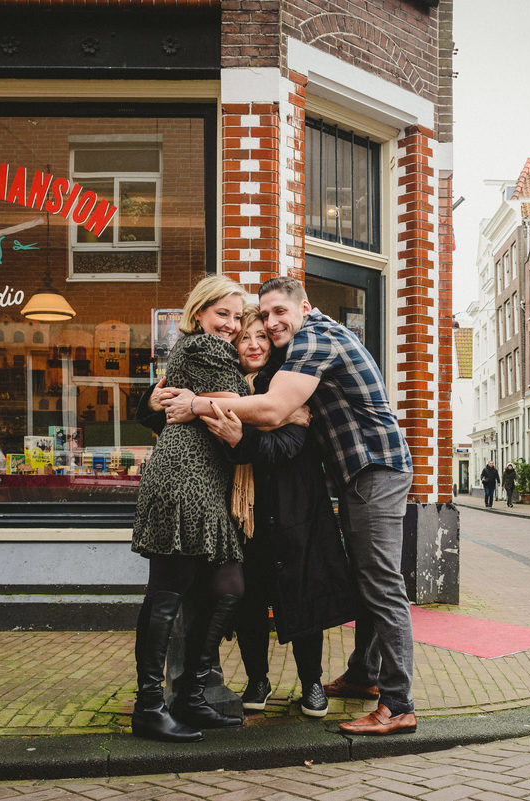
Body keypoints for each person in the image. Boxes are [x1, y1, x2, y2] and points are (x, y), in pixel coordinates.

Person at [162, 276, 417, 736]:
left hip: (374, 470)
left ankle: (398, 706)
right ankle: (364, 674)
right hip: (363, 474)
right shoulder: (303, 346)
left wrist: (196, 404)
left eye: (280, 312)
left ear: (305, 307)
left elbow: (276, 412)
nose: (272, 323)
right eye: (264, 314)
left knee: (382, 585)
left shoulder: (315, 339)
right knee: (369, 581)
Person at [143, 309, 356, 722]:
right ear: (234, 346)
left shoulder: (286, 388)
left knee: (302, 596)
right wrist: (150, 400)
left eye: (262, 336)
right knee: (249, 600)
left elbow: (287, 445)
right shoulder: (224, 387)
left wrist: (244, 434)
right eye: (245, 338)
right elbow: (174, 416)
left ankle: (311, 682)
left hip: (295, 510)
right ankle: (257, 679)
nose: (255, 344)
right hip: (243, 515)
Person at [129, 275, 251, 743]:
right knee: (167, 593)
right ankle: (149, 706)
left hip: (203, 481)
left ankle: (191, 697)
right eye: (224, 313)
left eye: (238, 317)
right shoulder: (206, 348)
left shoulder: (198, 350)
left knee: (228, 585)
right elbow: (241, 404)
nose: (232, 325)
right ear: (199, 312)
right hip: (184, 477)